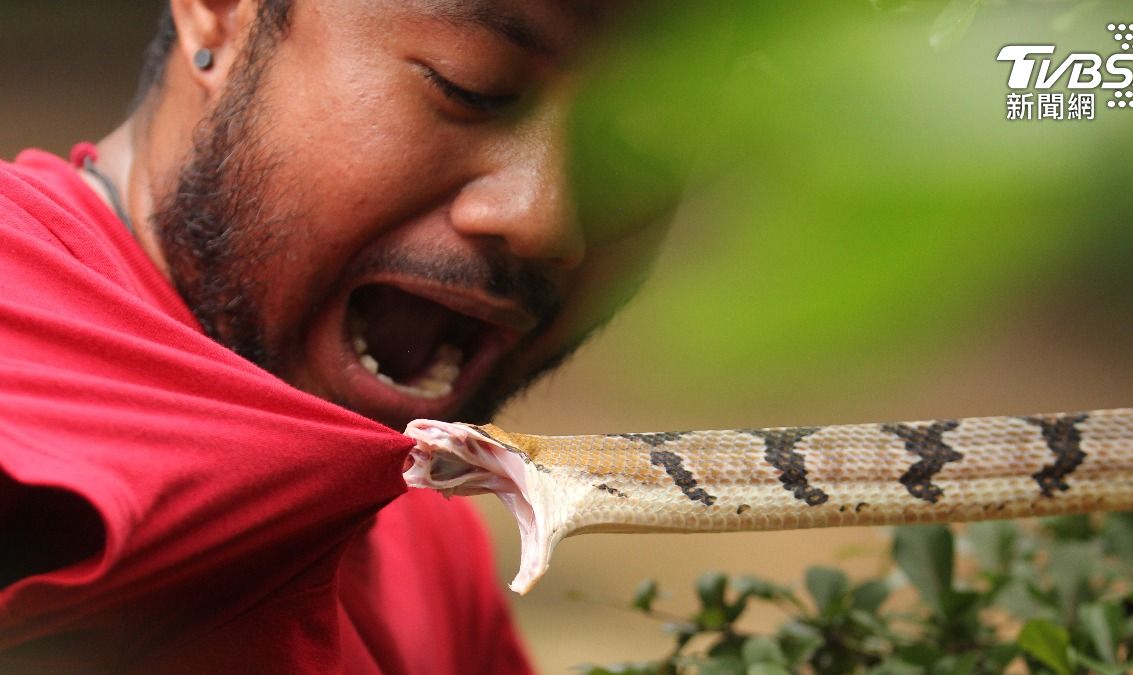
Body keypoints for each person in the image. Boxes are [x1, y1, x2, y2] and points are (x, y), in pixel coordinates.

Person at [0, 0, 673, 672]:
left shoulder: (428, 540)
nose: (543, 220)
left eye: (634, 154)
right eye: (469, 86)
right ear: (221, 14)